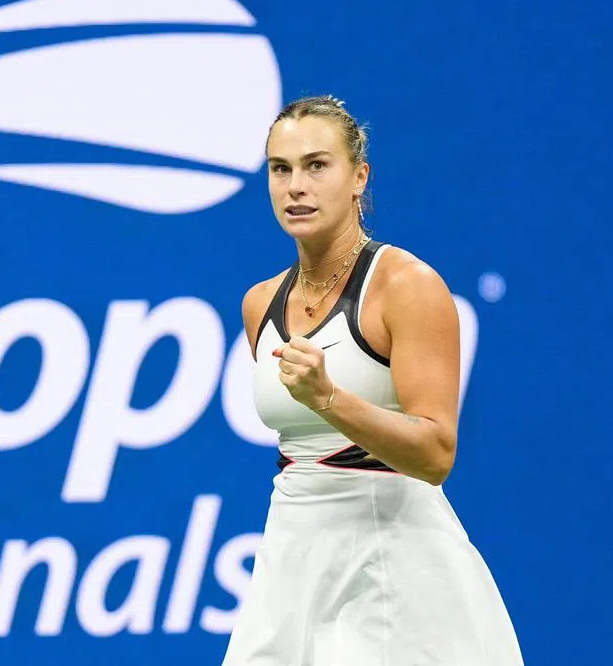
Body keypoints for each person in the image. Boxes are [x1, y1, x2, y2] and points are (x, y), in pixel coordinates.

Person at [219, 96, 523, 665]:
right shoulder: (260, 303)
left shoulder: (406, 286)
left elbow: (436, 453)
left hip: (394, 568)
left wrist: (330, 399)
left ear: (359, 176)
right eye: (280, 169)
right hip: (290, 562)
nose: (296, 187)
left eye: (317, 165)